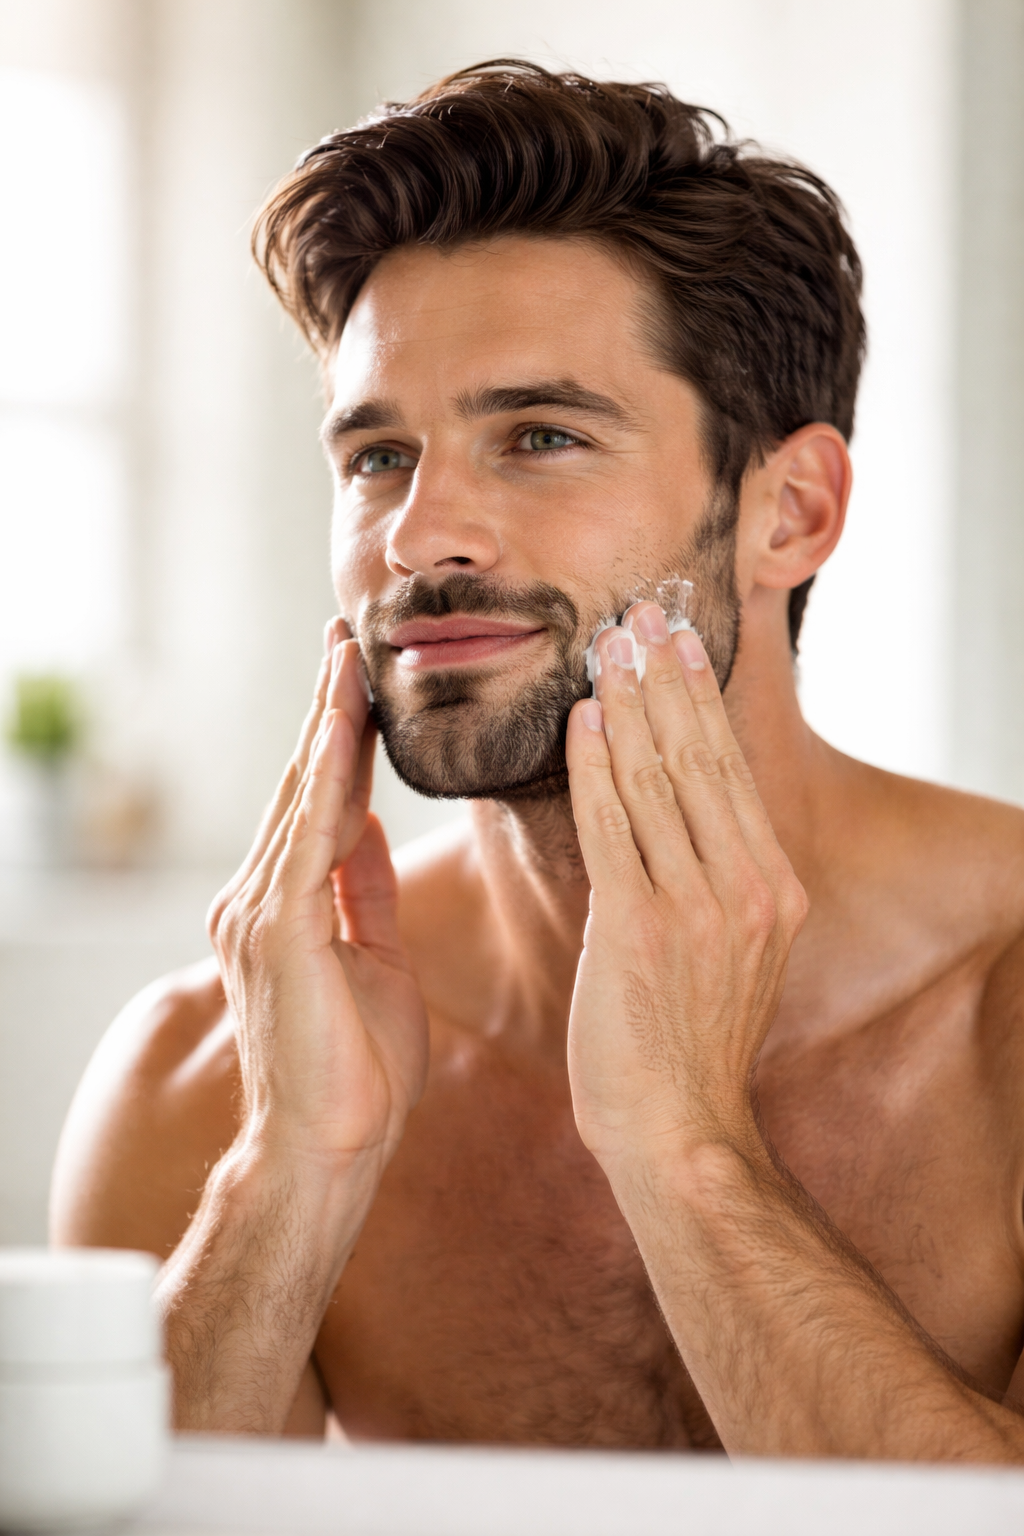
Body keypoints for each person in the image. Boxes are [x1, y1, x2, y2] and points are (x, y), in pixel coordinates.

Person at [51, 61, 1024, 1459]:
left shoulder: (1004, 1005)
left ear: (792, 512)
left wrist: (688, 1150)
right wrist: (290, 1177)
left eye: (542, 437)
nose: (419, 536)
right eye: (378, 456)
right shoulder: (208, 1079)